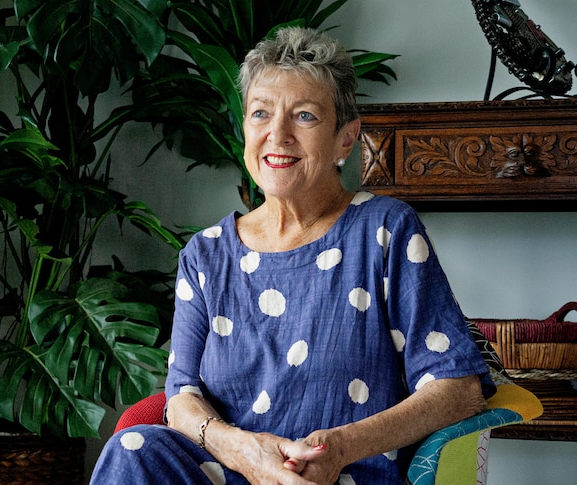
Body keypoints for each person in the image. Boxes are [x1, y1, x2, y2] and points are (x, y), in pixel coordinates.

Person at [90, 26, 494, 485]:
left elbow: (457, 389)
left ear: (346, 139)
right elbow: (181, 399)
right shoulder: (205, 255)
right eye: (260, 113)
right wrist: (246, 452)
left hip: (343, 475)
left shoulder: (385, 231)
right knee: (132, 447)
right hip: (228, 472)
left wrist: (339, 448)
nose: (276, 135)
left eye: (304, 116)